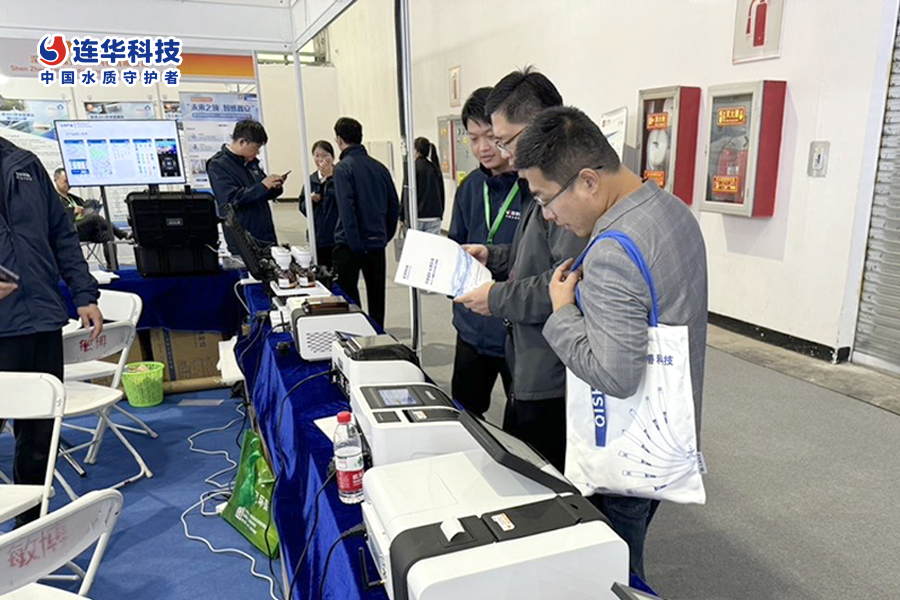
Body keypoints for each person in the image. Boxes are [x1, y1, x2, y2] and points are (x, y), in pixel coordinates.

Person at [515, 106, 708, 580]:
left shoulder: (611, 252)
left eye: (546, 199)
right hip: (669, 429)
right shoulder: (670, 207)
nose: (548, 215)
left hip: (628, 445)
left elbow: (615, 376)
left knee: (614, 569)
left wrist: (562, 310)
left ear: (588, 181)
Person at [454, 67, 587, 471]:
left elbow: (562, 278)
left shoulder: (567, 190)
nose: (497, 151)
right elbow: (534, 255)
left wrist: (496, 297)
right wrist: (493, 257)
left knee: (541, 472)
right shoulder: (534, 183)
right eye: (478, 138)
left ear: (542, 125)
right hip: (523, 350)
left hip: (548, 364)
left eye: (503, 140)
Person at [0, 136, 103, 526]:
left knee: (39, 434)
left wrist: (84, 293)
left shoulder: (24, 163)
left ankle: (29, 530)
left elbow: (62, 234)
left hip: (41, 319)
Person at [447, 87, 519, 417]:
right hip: (471, 328)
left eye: (490, 136)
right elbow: (455, 244)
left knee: (522, 424)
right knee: (465, 415)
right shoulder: (470, 187)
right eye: (473, 139)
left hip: (514, 330)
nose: (482, 148)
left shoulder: (532, 185)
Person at [331, 117, 399, 328]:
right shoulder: (380, 168)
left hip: (350, 246)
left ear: (339, 139)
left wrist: (355, 245)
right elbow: (394, 205)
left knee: (349, 297)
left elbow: (347, 211)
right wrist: (385, 236)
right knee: (377, 296)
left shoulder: (342, 169)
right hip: (376, 243)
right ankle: (378, 334)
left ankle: (358, 334)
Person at [207, 119, 285, 253]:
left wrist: (274, 187)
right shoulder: (217, 165)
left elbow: (261, 191)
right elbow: (230, 199)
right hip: (242, 236)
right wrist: (263, 186)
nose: (258, 152)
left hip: (265, 233)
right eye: (256, 147)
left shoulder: (251, 162)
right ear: (242, 142)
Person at [54, 169, 130, 243]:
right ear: (56, 180)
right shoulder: (54, 199)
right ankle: (123, 234)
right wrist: (73, 211)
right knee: (94, 217)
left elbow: (85, 207)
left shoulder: (73, 198)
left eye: (69, 182)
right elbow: (56, 216)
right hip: (69, 229)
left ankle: (112, 251)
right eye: (65, 181)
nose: (68, 184)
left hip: (84, 228)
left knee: (107, 235)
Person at [299, 140, 339, 269]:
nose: (321, 159)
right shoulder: (311, 180)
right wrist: (310, 201)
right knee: (320, 270)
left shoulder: (340, 176)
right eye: (317, 156)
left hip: (338, 235)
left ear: (332, 157)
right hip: (318, 235)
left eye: (325, 155)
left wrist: (330, 178)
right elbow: (303, 207)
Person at [401, 136, 445, 236]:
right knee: (432, 245)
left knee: (417, 244)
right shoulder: (434, 167)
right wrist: (440, 212)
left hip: (417, 215)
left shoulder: (412, 168)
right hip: (434, 215)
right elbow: (441, 192)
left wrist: (402, 215)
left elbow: (406, 192)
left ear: (416, 150)